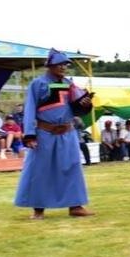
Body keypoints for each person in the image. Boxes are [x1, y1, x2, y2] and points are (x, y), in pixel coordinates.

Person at [13, 49, 95, 220]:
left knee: (72, 167)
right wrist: (30, 135)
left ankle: (76, 206)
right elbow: (29, 110)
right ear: (50, 65)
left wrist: (85, 104)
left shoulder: (69, 84)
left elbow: (78, 109)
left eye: (66, 64)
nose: (64, 67)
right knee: (40, 169)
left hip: (68, 132)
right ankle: (38, 209)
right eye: (60, 64)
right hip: (45, 133)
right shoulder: (38, 84)